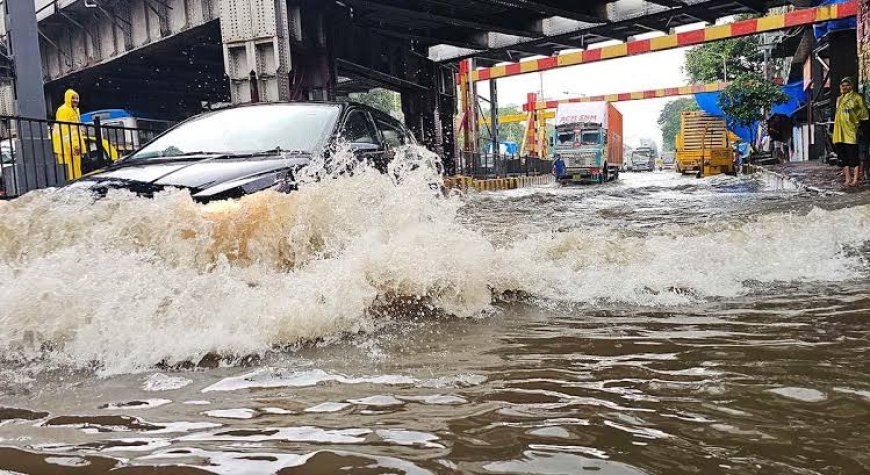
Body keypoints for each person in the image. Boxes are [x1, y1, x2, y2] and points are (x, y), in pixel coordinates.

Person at [833, 77, 868, 187]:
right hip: (839, 131)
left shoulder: (857, 98)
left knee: (853, 156)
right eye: (843, 85)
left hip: (851, 130)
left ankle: (855, 179)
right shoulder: (839, 99)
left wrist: (857, 125)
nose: (845, 87)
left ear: (851, 86)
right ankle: (848, 178)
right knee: (843, 157)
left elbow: (864, 114)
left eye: (847, 85)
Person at [52, 89, 85, 180]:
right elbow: (71, 129)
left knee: (69, 170)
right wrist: (75, 146)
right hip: (68, 145)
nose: (75, 100)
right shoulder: (67, 111)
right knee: (73, 170)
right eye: (73, 98)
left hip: (64, 145)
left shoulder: (68, 110)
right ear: (68, 98)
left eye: (77, 98)